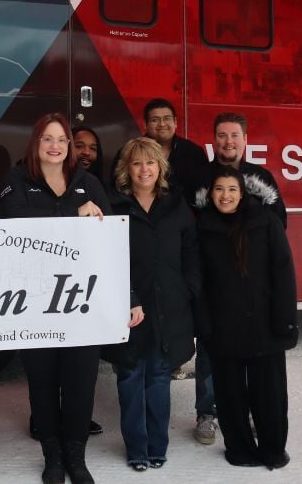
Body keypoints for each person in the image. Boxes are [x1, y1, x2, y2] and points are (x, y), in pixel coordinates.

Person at [0, 113, 110, 484]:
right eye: (47, 138)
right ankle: (52, 456)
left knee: (80, 384)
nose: (55, 146)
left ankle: (76, 456)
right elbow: (15, 221)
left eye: (62, 139)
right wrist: (72, 214)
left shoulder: (89, 183)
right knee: (43, 383)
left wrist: (126, 294)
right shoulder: (17, 180)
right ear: (36, 143)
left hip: (82, 302)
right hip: (35, 302)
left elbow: (111, 241)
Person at [105, 138, 201, 472]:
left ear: (160, 167)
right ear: (126, 169)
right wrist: (126, 298)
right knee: (130, 376)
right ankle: (137, 449)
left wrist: (187, 291)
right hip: (128, 308)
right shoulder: (113, 205)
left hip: (168, 309)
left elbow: (192, 252)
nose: (144, 170)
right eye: (136, 163)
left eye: (150, 162)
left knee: (160, 377)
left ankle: (157, 446)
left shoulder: (176, 205)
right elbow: (104, 259)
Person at [197, 166, 297, 470]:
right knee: (229, 395)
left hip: (264, 324)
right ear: (210, 194)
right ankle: (239, 449)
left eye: (232, 189)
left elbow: (283, 271)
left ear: (242, 193)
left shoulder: (266, 221)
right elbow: (197, 281)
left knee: (269, 393)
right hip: (222, 327)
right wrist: (204, 324)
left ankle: (273, 449)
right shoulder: (202, 226)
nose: (225, 196)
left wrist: (285, 320)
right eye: (219, 189)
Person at [200, 112, 287, 228]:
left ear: (245, 139)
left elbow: (279, 223)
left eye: (235, 135)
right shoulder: (199, 177)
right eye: (222, 135)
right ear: (215, 139)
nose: (229, 141)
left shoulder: (262, 177)